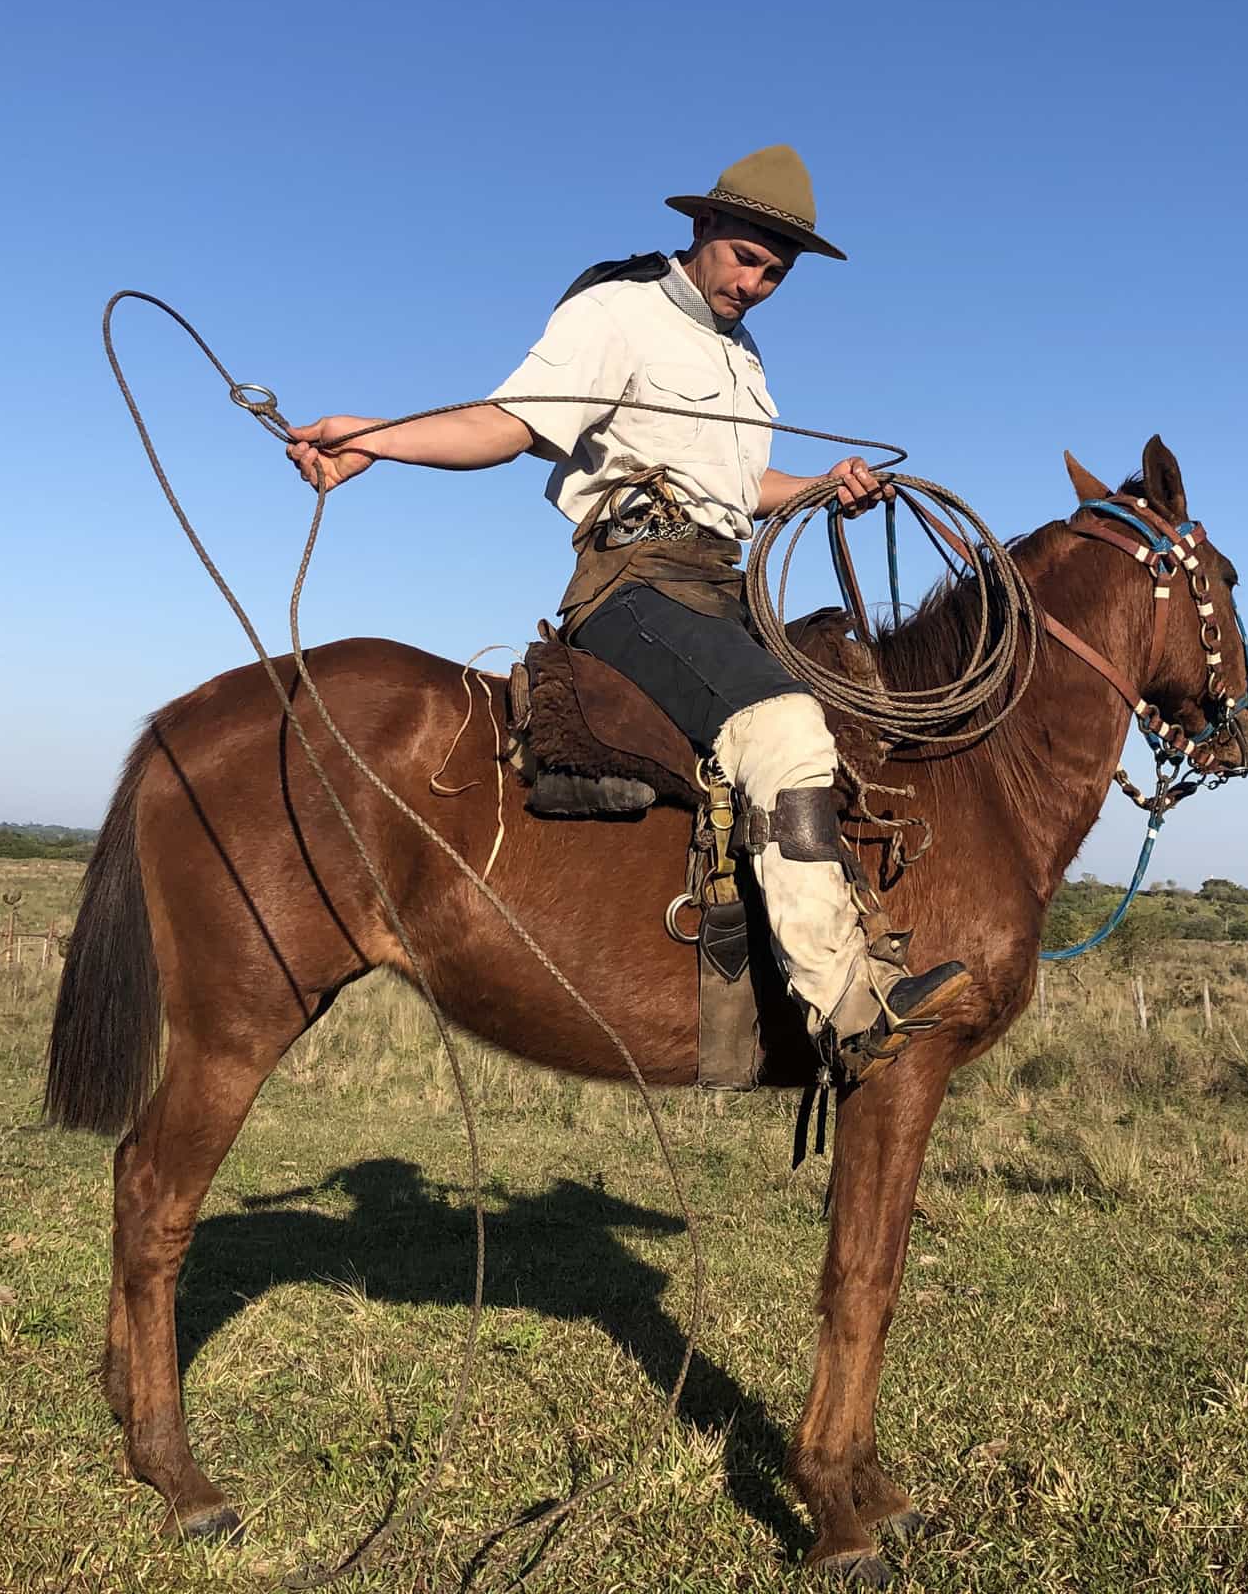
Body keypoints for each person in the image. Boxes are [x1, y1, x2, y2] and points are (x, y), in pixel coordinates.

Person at [286, 145, 970, 1087]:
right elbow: (511, 423)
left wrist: (821, 486)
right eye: (744, 256)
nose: (757, 282)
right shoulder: (618, 311)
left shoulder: (745, 357)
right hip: (630, 589)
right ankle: (846, 1002)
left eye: (777, 271)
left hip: (721, 586)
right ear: (700, 229)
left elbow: (731, 487)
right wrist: (377, 440)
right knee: (783, 728)